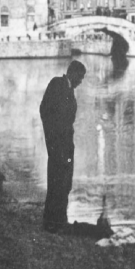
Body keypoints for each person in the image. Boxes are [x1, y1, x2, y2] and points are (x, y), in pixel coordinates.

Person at [40, 60, 87, 232]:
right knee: (57, 182)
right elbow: (45, 110)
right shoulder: (57, 84)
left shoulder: (68, 89)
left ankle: (59, 220)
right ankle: (52, 222)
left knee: (64, 183)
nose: (81, 81)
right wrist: (53, 138)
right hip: (58, 144)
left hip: (65, 144)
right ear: (73, 73)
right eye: (80, 77)